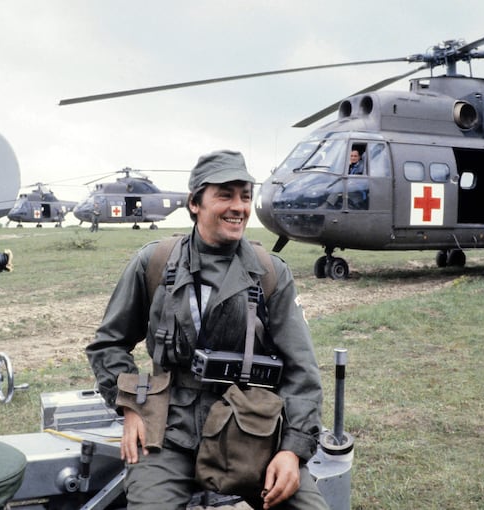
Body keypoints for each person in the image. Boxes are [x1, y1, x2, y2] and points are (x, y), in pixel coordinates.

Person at [86, 150, 327, 510]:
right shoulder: (154, 262)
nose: (239, 207)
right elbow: (109, 343)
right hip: (167, 431)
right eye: (225, 195)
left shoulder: (270, 272)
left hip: (251, 429)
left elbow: (302, 369)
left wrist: (292, 450)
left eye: (245, 196)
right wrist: (132, 406)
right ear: (195, 203)